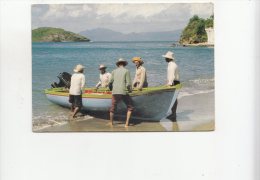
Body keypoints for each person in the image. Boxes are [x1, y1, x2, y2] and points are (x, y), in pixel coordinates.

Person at [108, 58, 134, 127]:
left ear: (118, 65)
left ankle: (111, 123)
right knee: (130, 107)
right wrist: (130, 90)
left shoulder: (113, 71)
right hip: (123, 91)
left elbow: (110, 82)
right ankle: (126, 124)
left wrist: (111, 89)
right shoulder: (126, 71)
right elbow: (128, 84)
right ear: (124, 64)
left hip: (115, 91)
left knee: (112, 108)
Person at [162, 51, 180, 121]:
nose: (165, 59)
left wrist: (169, 84)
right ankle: (173, 113)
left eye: (166, 58)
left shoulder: (171, 65)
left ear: (168, 58)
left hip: (174, 82)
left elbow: (172, 76)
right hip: (176, 82)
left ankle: (173, 114)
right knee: (174, 99)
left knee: (173, 99)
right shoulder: (173, 64)